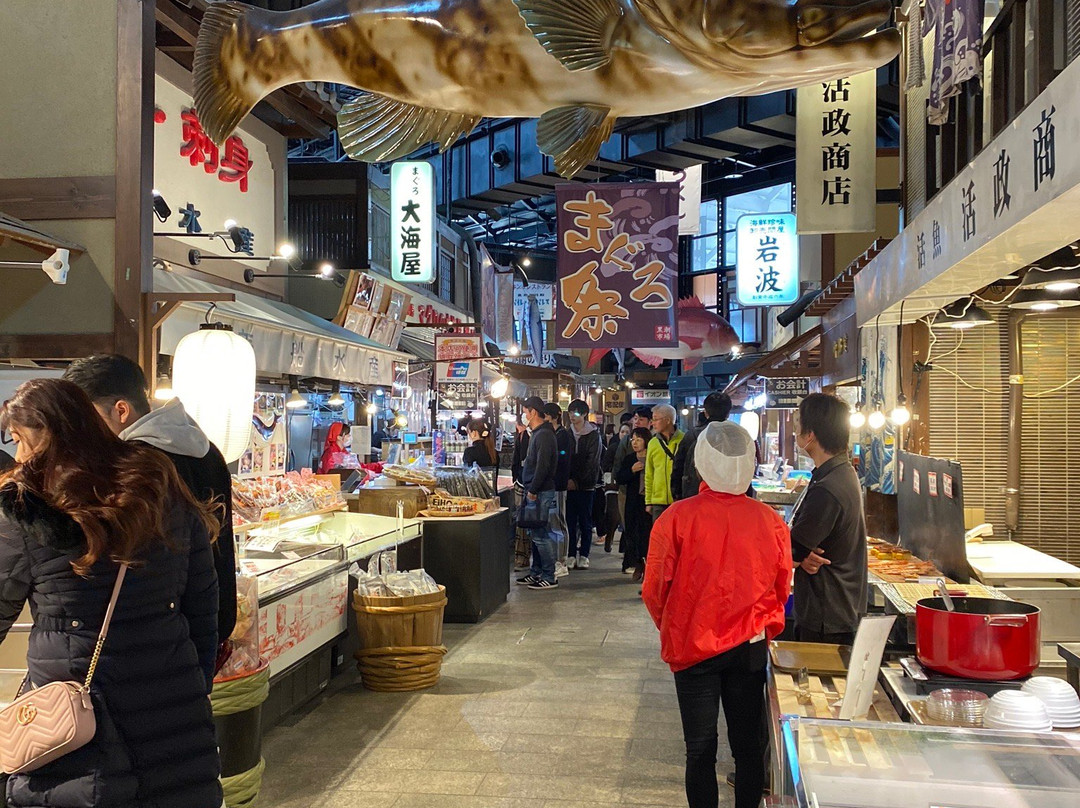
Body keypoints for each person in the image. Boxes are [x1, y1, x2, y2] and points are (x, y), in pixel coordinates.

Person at [0, 379, 223, 808]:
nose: (19, 456)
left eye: (20, 441)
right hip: (171, 697)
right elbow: (202, 598)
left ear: (46, 435)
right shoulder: (158, 485)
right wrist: (194, 680)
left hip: (77, 711)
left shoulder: (27, 508)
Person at [643, 421, 792, 808]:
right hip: (749, 646)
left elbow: (654, 589)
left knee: (700, 748)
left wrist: (676, 624)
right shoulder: (771, 521)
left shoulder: (674, 518)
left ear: (701, 462)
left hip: (693, 647)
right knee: (747, 746)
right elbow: (781, 587)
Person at [63, 355, 236, 664]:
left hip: (160, 629)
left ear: (121, 410)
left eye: (87, 418)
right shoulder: (208, 451)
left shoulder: (133, 464)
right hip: (209, 617)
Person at [789, 393, 868, 645]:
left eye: (798, 423)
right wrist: (801, 556)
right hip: (837, 607)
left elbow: (791, 550)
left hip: (826, 613)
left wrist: (798, 557)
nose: (795, 430)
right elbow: (800, 549)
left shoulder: (829, 487)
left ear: (810, 435)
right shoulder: (840, 472)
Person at [516, 396, 562, 590]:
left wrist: (533, 489)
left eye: (525, 412)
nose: (524, 415)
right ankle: (536, 573)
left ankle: (549, 576)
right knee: (535, 533)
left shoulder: (543, 435)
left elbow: (543, 465)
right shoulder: (538, 433)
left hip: (541, 491)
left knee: (542, 535)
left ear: (533, 412)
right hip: (536, 489)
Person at [671, 392, 733, 501]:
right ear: (728, 413)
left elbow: (678, 466)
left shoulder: (692, 435)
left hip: (694, 494)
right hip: (729, 495)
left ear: (705, 412)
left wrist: (677, 494)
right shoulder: (736, 436)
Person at [565, 399, 602, 570]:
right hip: (568, 485)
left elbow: (592, 462)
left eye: (576, 412)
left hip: (586, 485)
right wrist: (567, 479)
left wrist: (577, 481)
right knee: (570, 521)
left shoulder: (593, 435)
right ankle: (571, 553)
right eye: (571, 412)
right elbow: (563, 457)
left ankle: (584, 555)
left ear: (585, 414)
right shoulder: (567, 433)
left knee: (585, 520)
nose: (573, 416)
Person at [616, 426, 653, 577]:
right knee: (630, 530)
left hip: (648, 499)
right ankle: (630, 562)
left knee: (646, 532)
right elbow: (620, 478)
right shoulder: (630, 459)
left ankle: (645, 564)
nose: (635, 443)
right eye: (633, 440)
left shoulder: (652, 456)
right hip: (632, 499)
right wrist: (631, 470)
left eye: (639, 439)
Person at [543, 402, 573, 574]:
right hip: (550, 486)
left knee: (559, 524)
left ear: (553, 416)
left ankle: (562, 561)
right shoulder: (553, 434)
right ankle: (555, 560)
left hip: (558, 486)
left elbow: (562, 459)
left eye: (546, 415)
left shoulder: (562, 435)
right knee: (551, 524)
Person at [645, 404, 684, 520]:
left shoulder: (684, 440)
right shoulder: (653, 443)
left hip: (679, 500)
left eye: (656, 419)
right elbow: (649, 473)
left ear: (667, 420)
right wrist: (648, 501)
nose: (652, 423)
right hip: (658, 501)